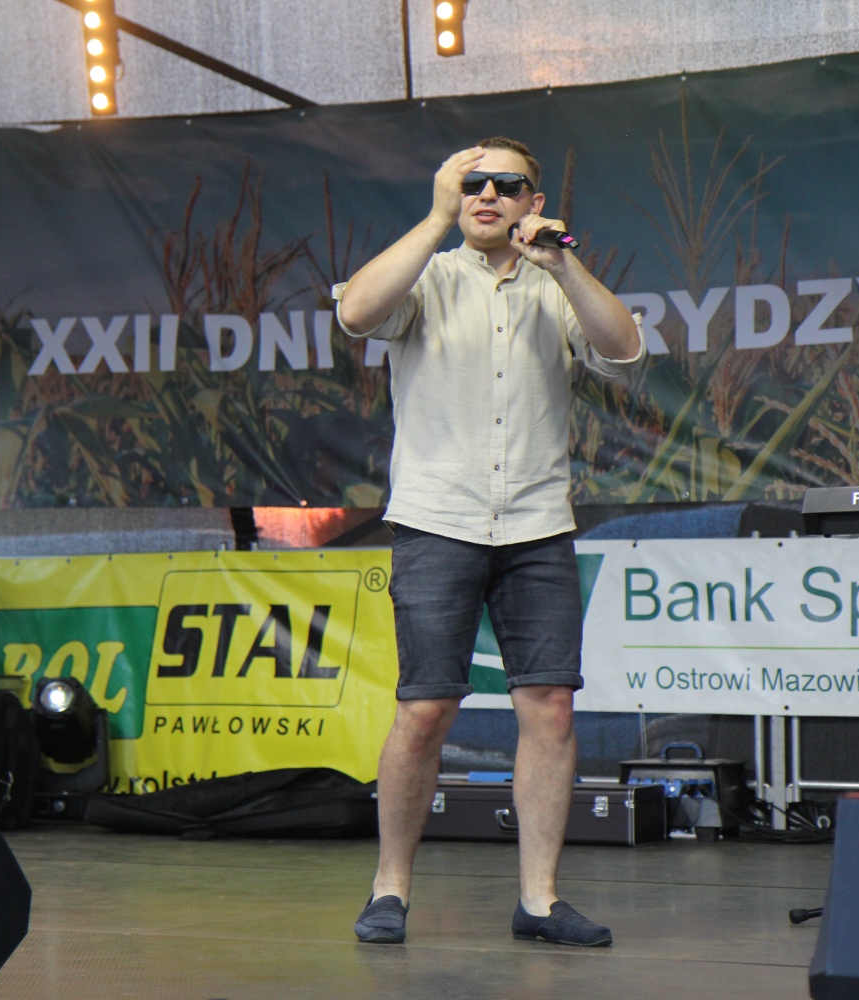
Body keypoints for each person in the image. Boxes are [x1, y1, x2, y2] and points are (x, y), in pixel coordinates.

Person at [334, 137, 645, 945]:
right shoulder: (429, 274)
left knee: (550, 706)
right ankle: (389, 889)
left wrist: (563, 263)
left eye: (507, 185)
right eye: (472, 183)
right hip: (439, 519)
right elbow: (356, 313)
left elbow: (623, 350)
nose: (487, 194)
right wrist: (435, 215)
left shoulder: (555, 281)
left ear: (532, 204)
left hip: (537, 523)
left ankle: (539, 900)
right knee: (425, 708)